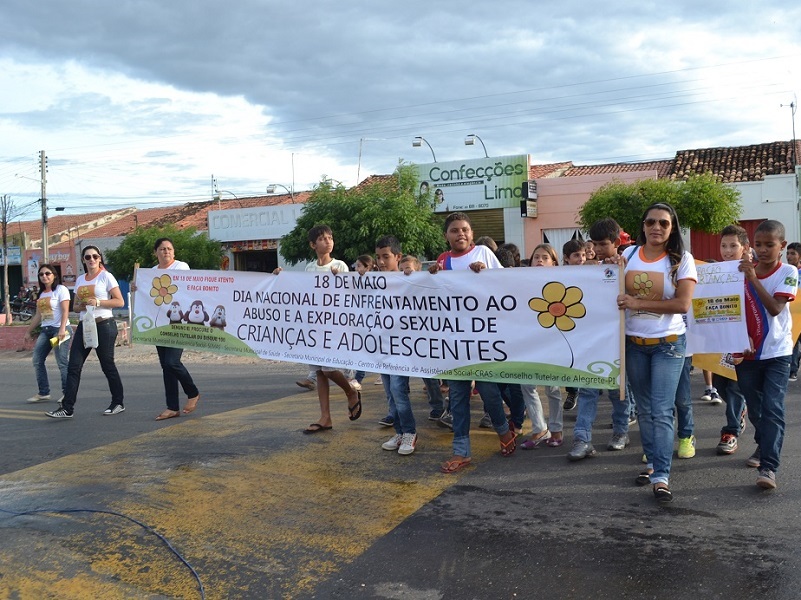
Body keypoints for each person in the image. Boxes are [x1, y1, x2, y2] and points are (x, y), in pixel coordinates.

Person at [618, 203, 697, 503]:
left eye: (664, 223)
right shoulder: (627, 255)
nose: (656, 227)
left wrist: (637, 303)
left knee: (662, 410)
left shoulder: (681, 259)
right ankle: (652, 463)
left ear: (672, 228)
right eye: (651, 222)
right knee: (645, 409)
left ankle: (662, 476)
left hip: (669, 344)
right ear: (643, 225)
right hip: (634, 344)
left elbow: (682, 304)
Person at [429, 212, 515, 473]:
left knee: (489, 392)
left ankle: (504, 430)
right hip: (455, 342)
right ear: (446, 235)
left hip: (483, 338)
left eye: (465, 229)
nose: (461, 234)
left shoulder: (484, 253)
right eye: (455, 230)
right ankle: (461, 451)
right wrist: (432, 277)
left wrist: (485, 274)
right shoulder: (442, 261)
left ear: (472, 233)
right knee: (457, 398)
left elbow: (505, 285)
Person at [734, 220, 797, 490]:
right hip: (746, 354)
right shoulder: (740, 272)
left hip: (777, 353)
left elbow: (774, 308)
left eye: (769, 245)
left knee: (773, 409)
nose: (762, 250)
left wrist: (752, 279)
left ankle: (769, 467)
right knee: (757, 409)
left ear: (782, 246)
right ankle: (764, 443)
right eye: (758, 244)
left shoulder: (788, 272)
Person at [280, 225, 360, 434]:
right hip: (314, 327)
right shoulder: (309, 269)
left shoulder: (340, 265)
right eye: (323, 238)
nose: (328, 241)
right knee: (319, 372)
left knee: (328, 369)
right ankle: (325, 417)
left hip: (333, 326)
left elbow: (350, 292)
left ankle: (350, 391)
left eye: (330, 237)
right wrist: (282, 277)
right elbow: (303, 292)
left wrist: (339, 279)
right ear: (313, 245)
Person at [568, 219, 633, 461]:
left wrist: (621, 269)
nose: (597, 249)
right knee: (588, 391)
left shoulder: (626, 266)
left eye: (603, 244)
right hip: (591, 341)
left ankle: (621, 431)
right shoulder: (589, 270)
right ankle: (582, 438)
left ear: (616, 242)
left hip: (618, 341)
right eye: (594, 244)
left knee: (619, 391)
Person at [46, 246, 125, 418]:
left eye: (95, 256)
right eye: (88, 257)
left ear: (100, 258)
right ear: (83, 260)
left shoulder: (106, 276)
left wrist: (98, 302)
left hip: (104, 325)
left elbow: (119, 302)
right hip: (85, 325)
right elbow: (75, 307)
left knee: (107, 365)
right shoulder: (81, 279)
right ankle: (67, 408)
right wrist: (83, 305)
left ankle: (118, 402)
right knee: (74, 366)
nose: (92, 259)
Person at [375, 236, 420, 455]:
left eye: (386, 256)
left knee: (398, 390)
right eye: (378, 257)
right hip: (382, 347)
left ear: (398, 257)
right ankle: (400, 432)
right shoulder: (373, 281)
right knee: (390, 393)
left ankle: (410, 432)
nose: (381, 262)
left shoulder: (407, 280)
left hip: (402, 347)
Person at [520, 244, 564, 449]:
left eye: (545, 257)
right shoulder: (522, 283)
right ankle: (539, 429)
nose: (539, 260)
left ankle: (556, 430)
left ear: (553, 263)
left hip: (552, 341)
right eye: (536, 257)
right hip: (528, 341)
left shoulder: (562, 282)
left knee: (552, 388)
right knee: (527, 385)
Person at [151, 237, 201, 421]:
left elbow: (184, 288)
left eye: (169, 249)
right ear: (156, 252)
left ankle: (193, 392)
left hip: (179, 323)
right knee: (166, 366)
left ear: (174, 252)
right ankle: (172, 407)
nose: (166, 251)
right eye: (162, 249)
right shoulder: (151, 272)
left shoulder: (181, 267)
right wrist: (136, 286)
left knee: (172, 362)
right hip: (159, 324)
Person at [714, 225, 750, 455]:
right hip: (719, 340)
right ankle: (740, 409)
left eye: (733, 246)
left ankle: (731, 432)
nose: (727, 251)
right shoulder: (714, 273)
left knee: (735, 387)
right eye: (724, 246)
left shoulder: (751, 271)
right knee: (720, 385)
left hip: (743, 340)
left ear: (744, 247)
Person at [26, 264, 72, 404]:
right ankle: (43, 392)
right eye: (41, 274)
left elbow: (65, 311)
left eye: (47, 273)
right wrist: (28, 331)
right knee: (37, 360)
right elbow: (38, 315)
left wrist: (62, 330)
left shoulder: (61, 289)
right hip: (46, 331)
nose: (44, 276)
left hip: (60, 330)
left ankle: (67, 393)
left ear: (54, 275)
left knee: (62, 362)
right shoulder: (42, 294)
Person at [561, 239, 585, 411]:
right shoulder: (560, 275)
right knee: (569, 359)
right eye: (576, 255)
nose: (581, 259)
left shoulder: (594, 272)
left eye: (583, 255)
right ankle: (572, 391)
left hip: (586, 325)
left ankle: (583, 396)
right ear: (566, 258)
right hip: (566, 324)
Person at [785, 241, 801, 381]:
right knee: (793, 341)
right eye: (788, 253)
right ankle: (793, 370)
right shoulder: (786, 272)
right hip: (791, 314)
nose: (789, 256)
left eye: (793, 254)